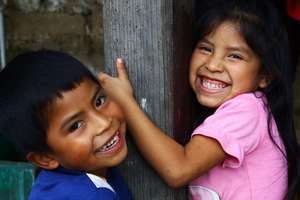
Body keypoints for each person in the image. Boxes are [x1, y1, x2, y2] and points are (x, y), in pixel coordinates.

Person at [99, 0, 300, 199]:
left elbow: (178, 169)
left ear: (264, 75)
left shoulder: (248, 109)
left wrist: (125, 101)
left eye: (235, 56)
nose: (213, 65)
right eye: (206, 48)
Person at [0, 50, 133, 200]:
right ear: (44, 158)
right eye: (75, 126)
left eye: (99, 101)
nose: (103, 123)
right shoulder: (92, 196)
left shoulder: (56, 182)